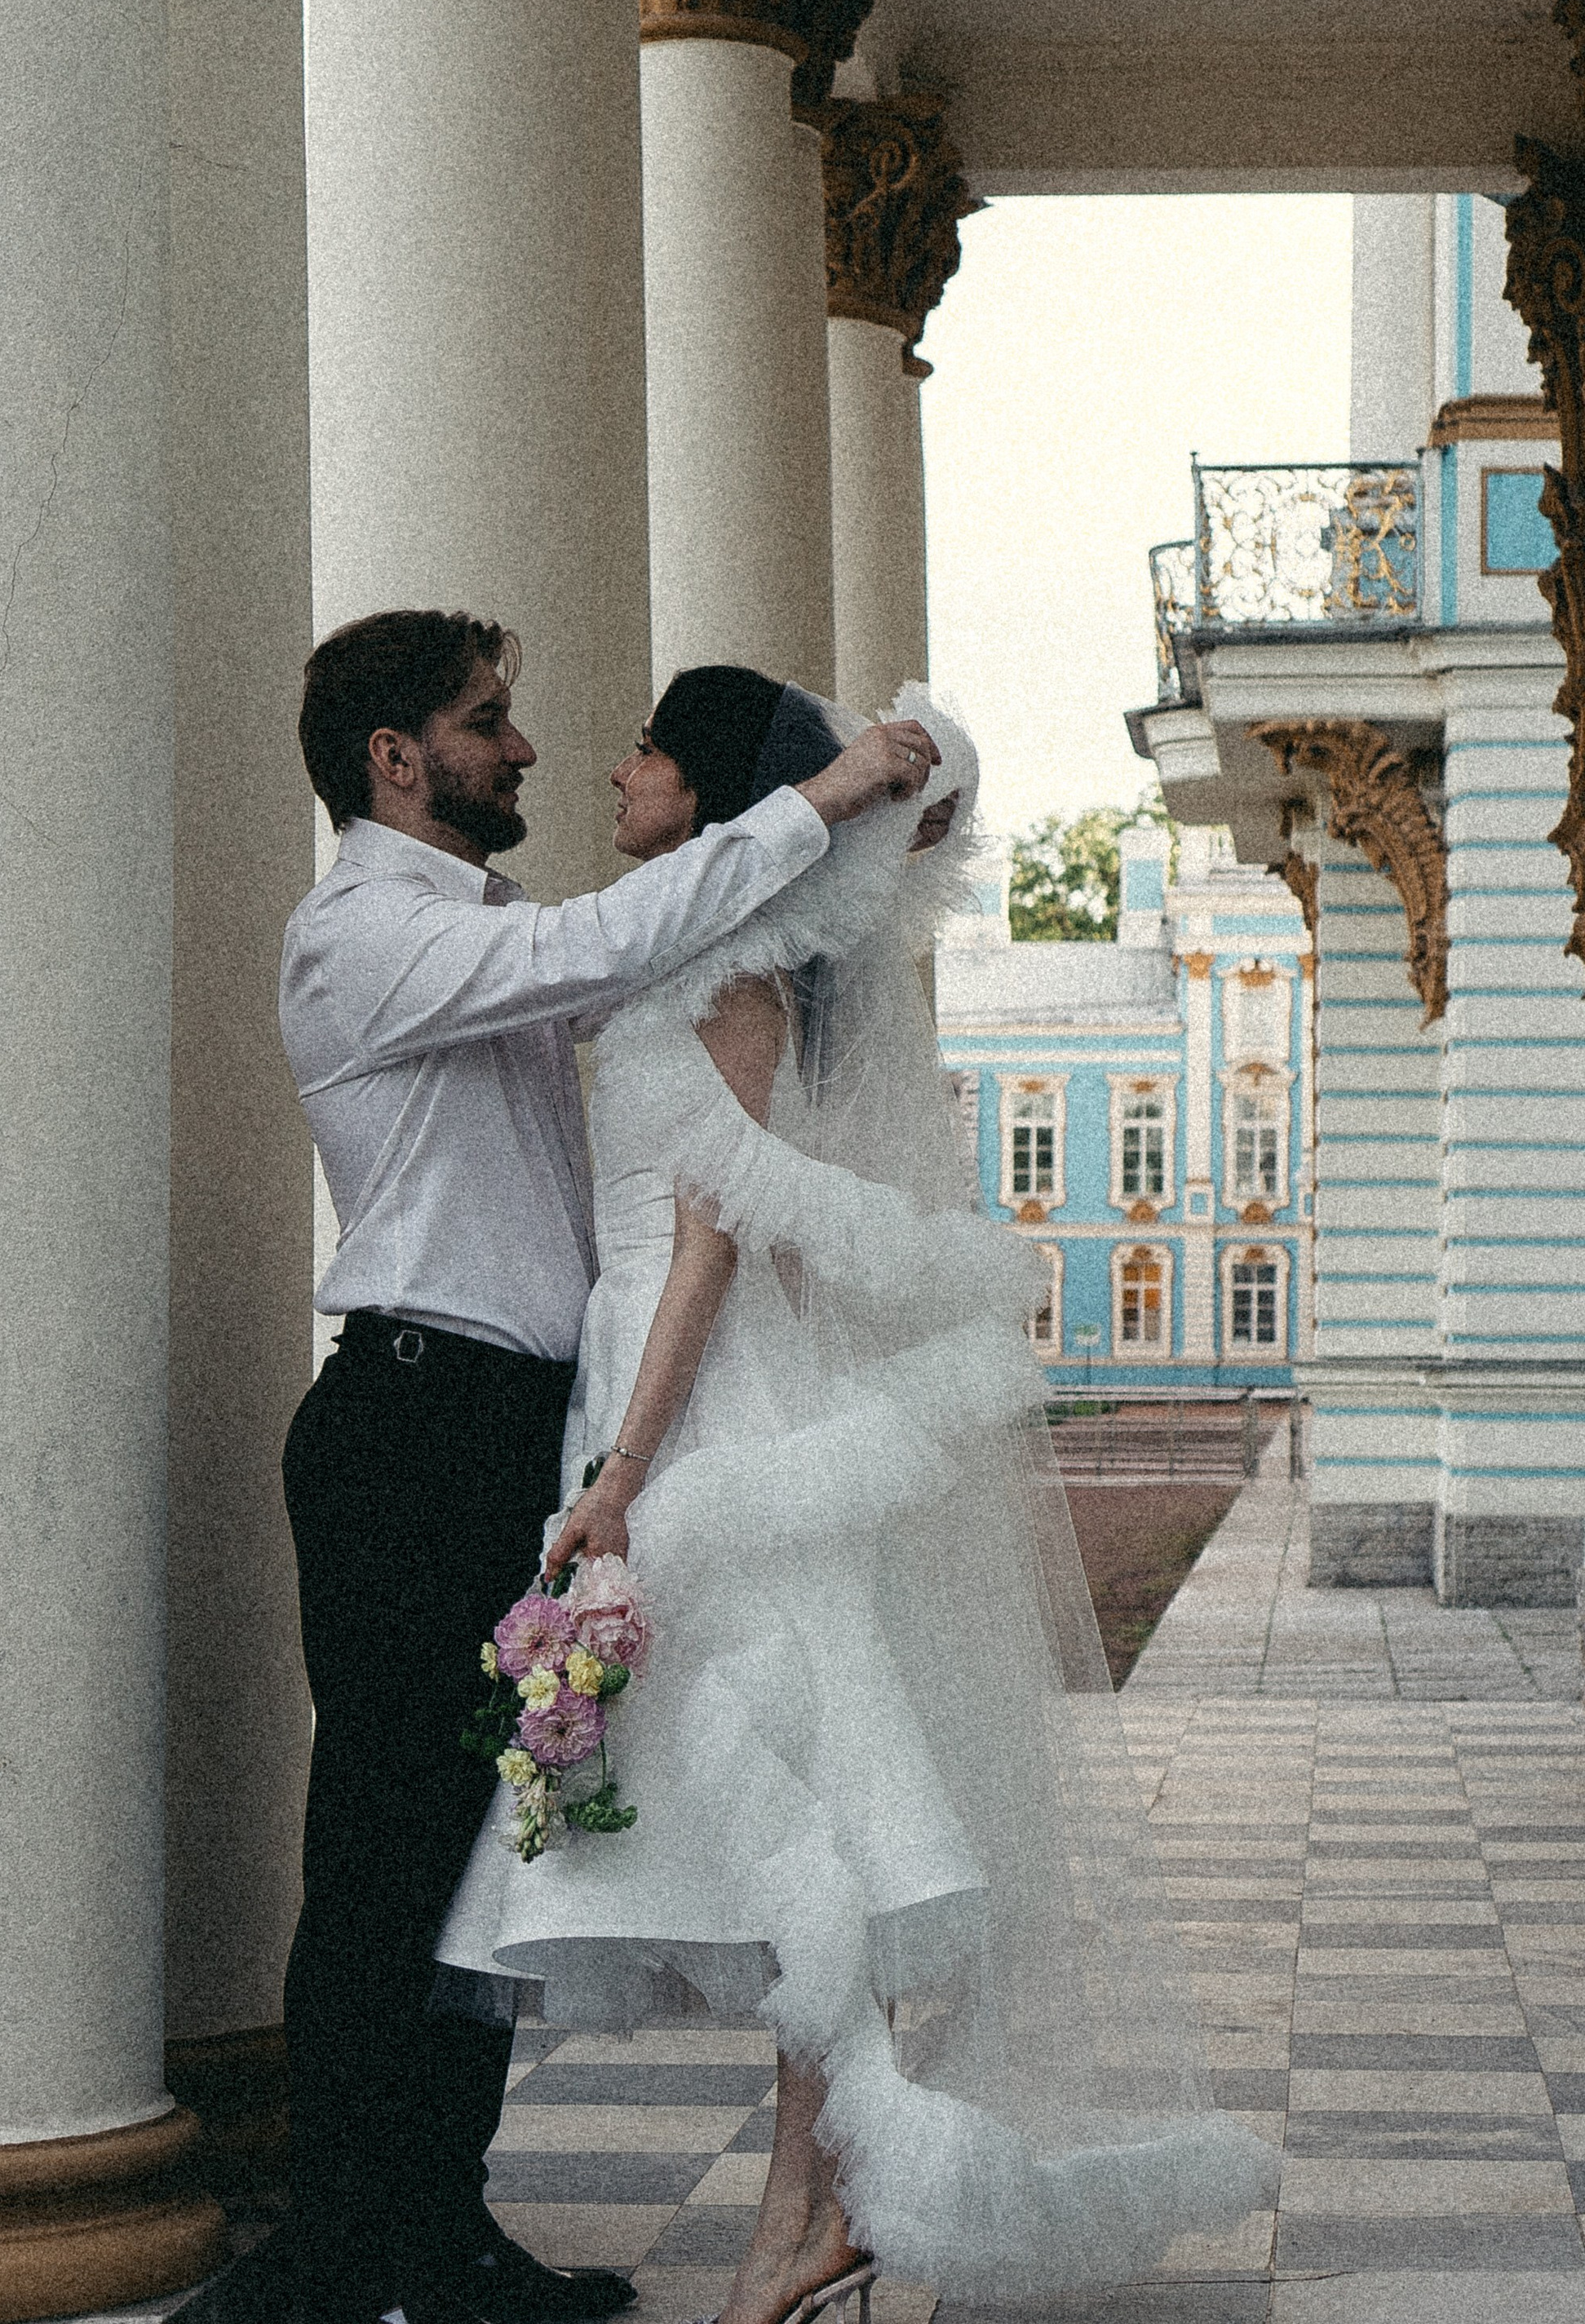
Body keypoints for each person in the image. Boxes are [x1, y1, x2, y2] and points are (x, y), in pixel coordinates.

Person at [439, 668, 1280, 2324]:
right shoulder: (688, 949)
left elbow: (706, 1245)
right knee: (776, 1831)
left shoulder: (740, 976)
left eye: (644, 750)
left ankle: (798, 2223)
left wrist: (622, 1474)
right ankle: (810, 2215)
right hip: (654, 1386)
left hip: (702, 1410)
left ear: (707, 787)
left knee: (825, 1818)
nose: (614, 771)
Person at [272, 613, 941, 2324]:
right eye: (490, 723)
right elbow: (611, 939)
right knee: (384, 1858)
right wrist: (820, 796)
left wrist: (852, 856)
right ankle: (351, 2259)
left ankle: (443, 2234)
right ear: (392, 761)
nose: (532, 751)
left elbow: (663, 967)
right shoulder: (361, 935)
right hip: (412, 1421)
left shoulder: (487, 923)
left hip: (511, 1422)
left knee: (466, 1864)